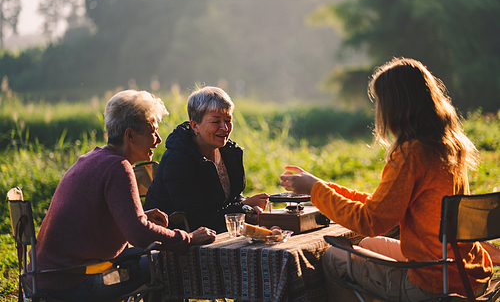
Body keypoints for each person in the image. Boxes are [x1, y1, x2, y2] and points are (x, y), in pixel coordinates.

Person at [279, 58, 493, 301]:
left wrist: (316, 191)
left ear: (395, 106)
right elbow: (383, 207)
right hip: (468, 272)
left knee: (333, 257)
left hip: (434, 282)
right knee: (369, 244)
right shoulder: (447, 145)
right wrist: (322, 186)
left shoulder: (412, 153)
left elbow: (371, 221)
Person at [31, 90, 216, 302]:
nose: (159, 139)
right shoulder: (117, 167)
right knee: (167, 266)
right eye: (153, 131)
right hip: (74, 282)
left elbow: (96, 218)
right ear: (130, 135)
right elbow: (139, 234)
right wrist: (188, 237)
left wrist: (141, 215)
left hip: (47, 277)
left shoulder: (92, 158)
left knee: (156, 260)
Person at [144, 86, 268, 233]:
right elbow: (197, 220)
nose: (225, 127)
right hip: (175, 241)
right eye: (216, 121)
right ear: (195, 125)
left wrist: (250, 209)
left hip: (217, 234)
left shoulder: (229, 152)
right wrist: (243, 207)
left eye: (228, 120)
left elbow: (232, 199)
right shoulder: (178, 160)